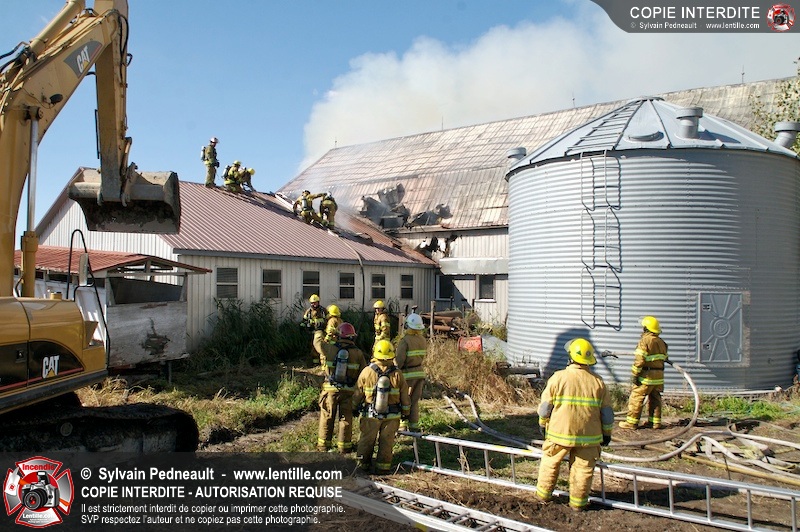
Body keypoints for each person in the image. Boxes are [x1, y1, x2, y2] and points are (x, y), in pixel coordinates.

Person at [535, 338, 613, 511]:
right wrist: (607, 433)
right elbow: (607, 413)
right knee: (583, 469)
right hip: (589, 437)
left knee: (550, 462)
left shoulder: (558, 378)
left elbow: (545, 407)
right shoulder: (598, 382)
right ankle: (578, 504)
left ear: (570, 357)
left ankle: (543, 496)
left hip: (559, 433)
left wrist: (542, 423)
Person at [352, 340, 410, 474]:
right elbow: (405, 396)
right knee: (387, 442)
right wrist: (406, 413)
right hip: (392, 417)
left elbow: (358, 393)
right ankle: (382, 468)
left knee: (366, 440)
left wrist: (354, 407)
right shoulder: (398, 374)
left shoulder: (367, 372)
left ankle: (362, 466)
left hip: (371, 416)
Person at [317, 322, 367, 453]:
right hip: (348, 391)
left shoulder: (330, 349)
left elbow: (317, 343)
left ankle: (323, 445)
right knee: (346, 418)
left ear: (338, 335)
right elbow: (364, 375)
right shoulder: (358, 353)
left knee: (327, 416)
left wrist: (319, 331)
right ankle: (344, 447)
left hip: (330, 390)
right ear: (352, 337)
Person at [619, 316, 669, 430]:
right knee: (655, 399)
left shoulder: (645, 341)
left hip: (647, 376)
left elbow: (640, 360)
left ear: (646, 328)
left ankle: (631, 423)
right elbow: (665, 358)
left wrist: (635, 374)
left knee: (636, 398)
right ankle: (655, 423)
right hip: (659, 377)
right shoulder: (662, 342)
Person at [395, 313, 427, 432]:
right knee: (414, 401)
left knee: (404, 400)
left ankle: (402, 426)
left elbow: (399, 360)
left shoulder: (405, 341)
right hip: (419, 373)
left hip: (407, 374)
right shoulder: (422, 339)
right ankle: (414, 427)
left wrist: (394, 370)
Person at [300, 294, 328, 366]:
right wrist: (302, 327)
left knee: (322, 346)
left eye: (315, 302)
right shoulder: (308, 311)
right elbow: (304, 320)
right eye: (312, 303)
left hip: (322, 331)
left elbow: (328, 319)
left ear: (318, 302)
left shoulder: (323, 311)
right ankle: (316, 363)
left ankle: (323, 361)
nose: (314, 304)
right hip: (312, 332)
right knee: (313, 347)